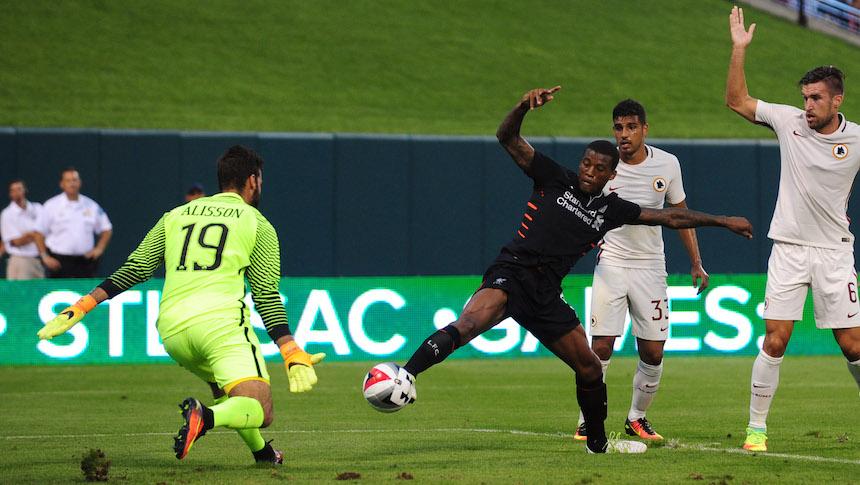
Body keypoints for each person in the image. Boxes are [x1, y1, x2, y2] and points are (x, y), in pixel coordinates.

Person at [395, 86, 753, 454]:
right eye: (586, 163)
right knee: (469, 323)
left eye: (599, 168)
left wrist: (724, 221)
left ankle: (597, 445)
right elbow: (507, 138)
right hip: (512, 273)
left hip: (545, 294)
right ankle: (405, 374)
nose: (589, 172)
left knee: (590, 367)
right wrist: (522, 107)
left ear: (611, 176)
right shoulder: (553, 176)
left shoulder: (612, 209)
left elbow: (671, 216)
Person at [36, 146, 325, 464]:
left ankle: (263, 454)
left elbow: (136, 268)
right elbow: (266, 295)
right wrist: (290, 350)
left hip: (172, 331)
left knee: (227, 392)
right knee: (261, 408)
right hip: (220, 327)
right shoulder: (257, 223)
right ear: (253, 181)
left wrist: (81, 306)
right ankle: (205, 417)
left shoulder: (175, 215)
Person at [727, 6, 860, 452]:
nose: (807, 106)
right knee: (775, 338)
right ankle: (756, 430)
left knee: (854, 346)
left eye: (816, 98)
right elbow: (737, 101)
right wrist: (739, 49)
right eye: (804, 98)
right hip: (788, 248)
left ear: (837, 101)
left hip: (834, 253)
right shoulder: (788, 122)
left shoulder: (856, 139)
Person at [574, 99, 707, 442]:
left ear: (644, 129)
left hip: (651, 267)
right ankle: (588, 420)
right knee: (601, 347)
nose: (624, 134)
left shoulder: (667, 164)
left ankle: (637, 417)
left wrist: (696, 262)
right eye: (618, 127)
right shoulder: (604, 166)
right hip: (612, 263)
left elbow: (680, 215)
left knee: (653, 351)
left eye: (631, 127)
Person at [33, 168, 112, 278]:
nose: (72, 184)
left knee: (88, 289)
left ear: (80, 182)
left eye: (74, 180)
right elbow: (38, 232)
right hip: (59, 262)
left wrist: (100, 248)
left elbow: (106, 228)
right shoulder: (51, 206)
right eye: (68, 181)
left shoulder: (91, 206)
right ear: (62, 184)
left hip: (85, 262)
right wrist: (44, 256)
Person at [1, 179, 45, 280]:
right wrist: (37, 235)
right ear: (10, 194)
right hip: (20, 261)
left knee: (40, 290)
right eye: (14, 190)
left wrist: (29, 235)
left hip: (38, 260)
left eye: (19, 189)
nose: (17, 193)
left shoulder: (38, 208)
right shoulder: (7, 214)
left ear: (25, 190)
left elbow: (47, 234)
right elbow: (16, 242)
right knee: (21, 291)